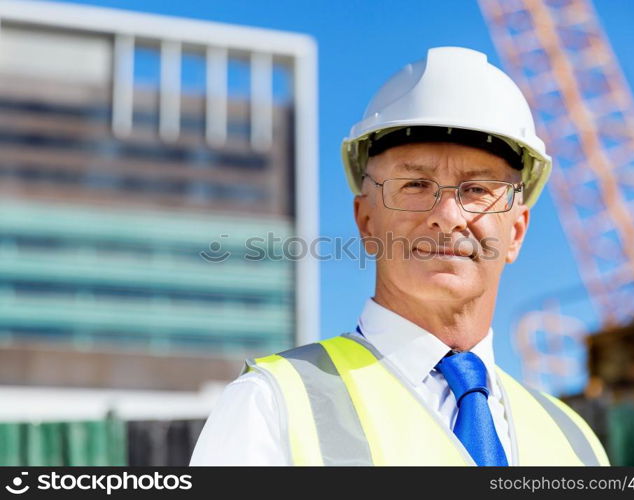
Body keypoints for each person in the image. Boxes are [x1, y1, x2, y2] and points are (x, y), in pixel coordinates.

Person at [190, 46, 610, 466]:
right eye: (415, 186)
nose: (447, 217)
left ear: (516, 231)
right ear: (366, 220)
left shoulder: (575, 443)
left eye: (478, 190)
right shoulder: (271, 406)